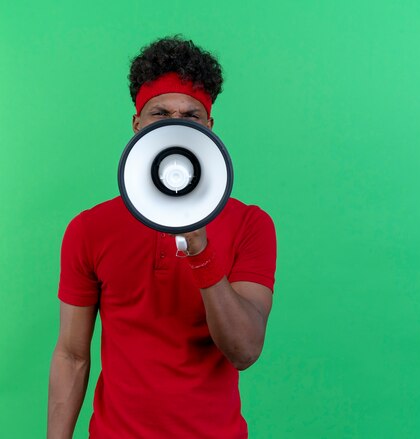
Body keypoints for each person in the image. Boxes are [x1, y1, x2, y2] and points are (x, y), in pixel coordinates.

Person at [47, 36, 277, 439]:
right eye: (160, 114)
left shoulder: (251, 224)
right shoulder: (90, 228)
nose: (175, 125)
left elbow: (244, 350)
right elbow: (71, 355)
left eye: (191, 115)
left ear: (208, 127)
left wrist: (200, 248)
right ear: (137, 124)